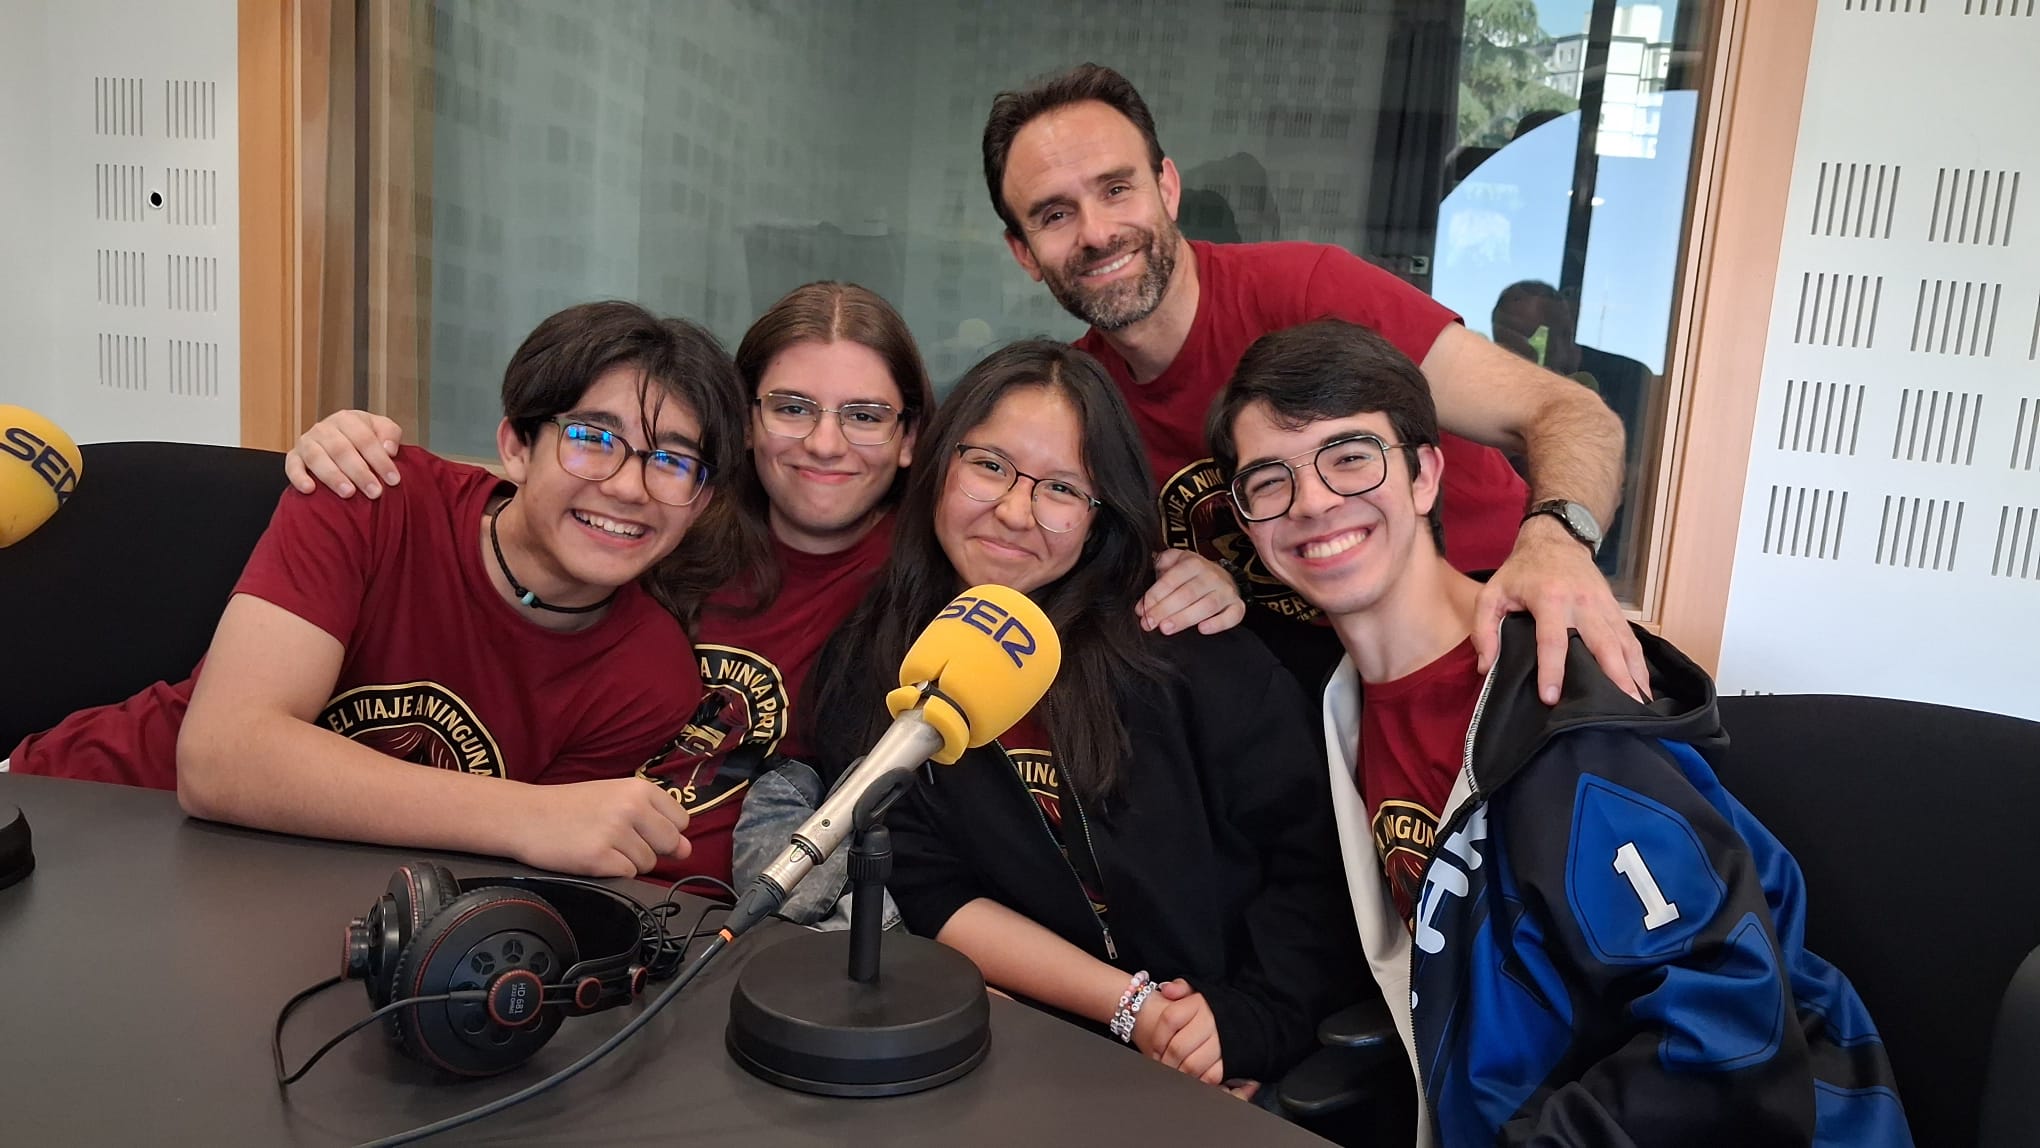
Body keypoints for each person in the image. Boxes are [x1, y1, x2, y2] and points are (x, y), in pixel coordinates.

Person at [282, 284, 1246, 890]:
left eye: (865, 416)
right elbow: (542, 504)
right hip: (516, 870)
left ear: (918, 440)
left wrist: (1192, 570)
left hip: (736, 918)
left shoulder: (930, 580)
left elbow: (1056, 570)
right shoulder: (659, 518)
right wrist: (357, 447)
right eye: (791, 407)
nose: (825, 443)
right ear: (739, 424)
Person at [1206, 319, 1912, 1145]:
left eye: (1352, 457)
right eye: (1270, 480)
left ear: (1426, 473)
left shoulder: (1553, 708)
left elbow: (1724, 1033)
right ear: (1248, 524)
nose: (1315, 502)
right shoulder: (1341, 707)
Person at [5, 302, 748, 879]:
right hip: (78, 815)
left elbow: (509, 872)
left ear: (703, 501)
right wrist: (532, 815)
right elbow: (222, 757)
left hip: (277, 903)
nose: (627, 487)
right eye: (593, 439)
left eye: (673, 463)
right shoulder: (372, 490)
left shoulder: (648, 676)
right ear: (517, 446)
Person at [981, 63, 1648, 706]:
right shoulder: (1081, 400)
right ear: (1023, 253)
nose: (1097, 232)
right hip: (1321, 700)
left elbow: (1571, 413)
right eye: (1055, 215)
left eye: (1117, 188)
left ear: (1169, 189)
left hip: (1502, 652)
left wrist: (1557, 546)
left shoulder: (1310, 291)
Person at [804, 341, 1362, 1098]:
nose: (1013, 510)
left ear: (1101, 515)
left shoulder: (1183, 645)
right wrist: (1134, 1013)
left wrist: (1240, 1027)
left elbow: (1314, 868)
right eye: (990, 466)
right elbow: (926, 886)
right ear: (939, 464)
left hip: (1225, 1054)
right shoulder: (877, 659)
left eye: (1060, 489)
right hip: (1012, 1056)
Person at [1491, 279, 1655, 577]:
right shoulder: (1496, 387)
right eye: (1505, 337)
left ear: (1565, 333)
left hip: (1603, 558)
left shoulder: (1630, 380)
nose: (1517, 349)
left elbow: (1637, 475)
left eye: (1530, 336)